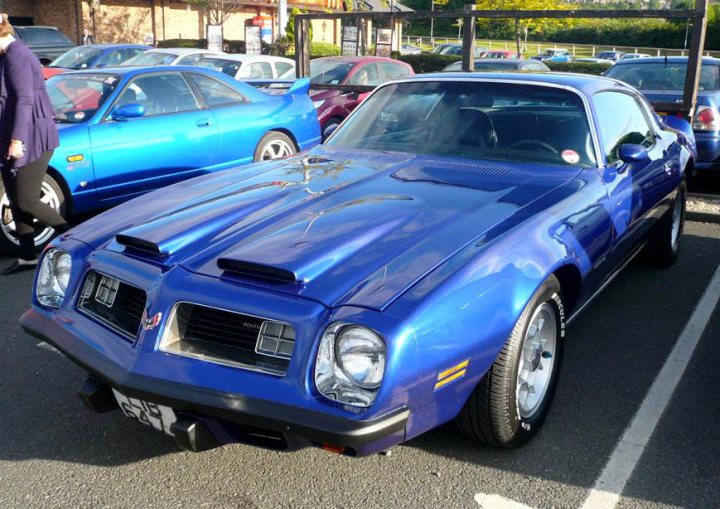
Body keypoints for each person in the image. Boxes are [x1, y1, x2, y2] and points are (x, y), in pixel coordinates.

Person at [0, 14, 68, 275]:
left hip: (31, 136)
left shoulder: (17, 54)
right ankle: (28, 255)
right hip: (12, 136)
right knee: (17, 200)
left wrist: (17, 140)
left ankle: (75, 242)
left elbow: (24, 100)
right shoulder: (5, 56)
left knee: (27, 200)